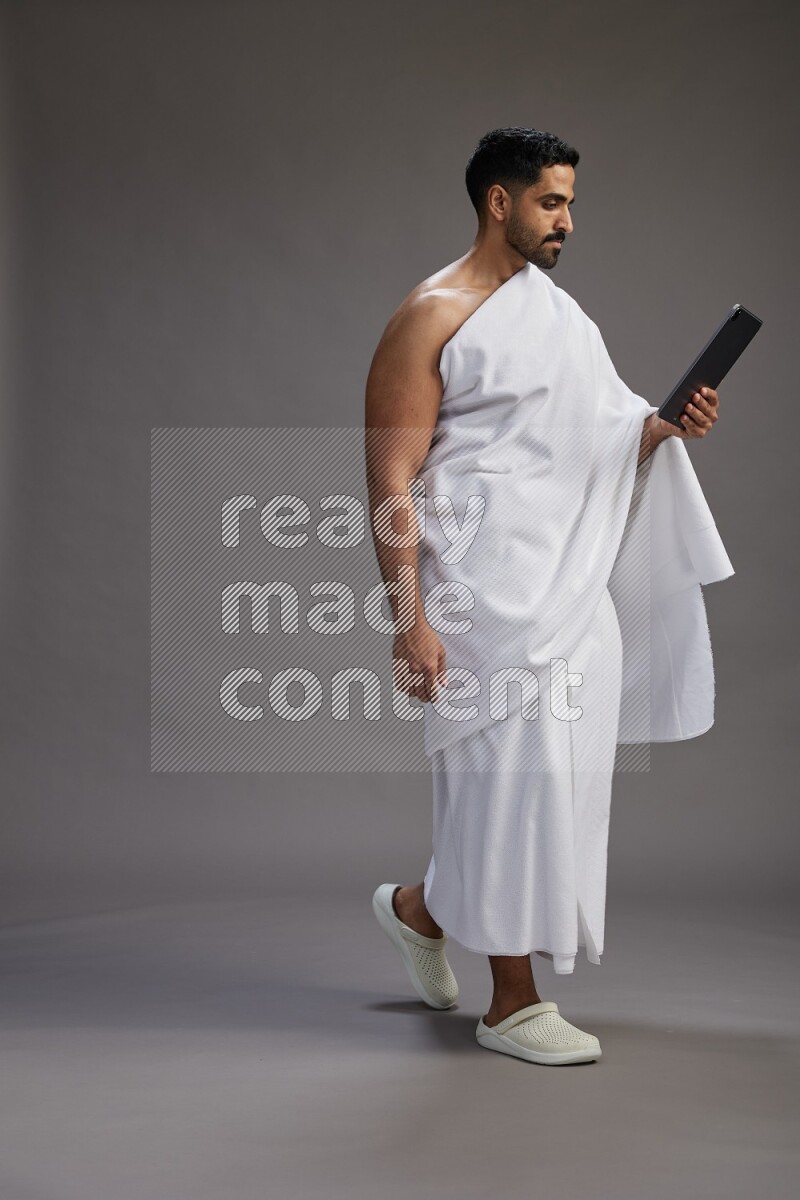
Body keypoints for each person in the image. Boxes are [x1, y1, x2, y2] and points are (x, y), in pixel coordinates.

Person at [364, 127, 731, 1066]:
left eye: (569, 201)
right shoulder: (430, 315)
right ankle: (513, 1004)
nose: (568, 219)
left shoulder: (562, 317)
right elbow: (392, 480)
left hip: (567, 590)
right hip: (477, 596)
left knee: (551, 790)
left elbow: (610, 438)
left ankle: (417, 910)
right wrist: (409, 621)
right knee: (505, 790)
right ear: (500, 201)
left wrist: (665, 423)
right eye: (551, 202)